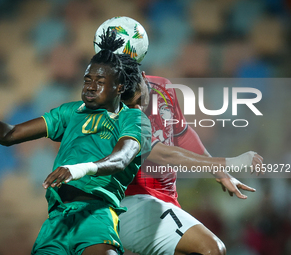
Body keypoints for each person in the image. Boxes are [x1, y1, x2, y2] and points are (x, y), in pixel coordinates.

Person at [0, 30, 152, 255]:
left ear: (119, 88)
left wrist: (78, 169)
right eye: (87, 80)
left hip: (96, 213)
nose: (90, 86)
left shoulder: (132, 118)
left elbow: (122, 158)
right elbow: (9, 135)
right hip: (56, 221)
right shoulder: (70, 112)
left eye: (100, 82)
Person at [96, 20, 264, 255]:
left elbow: (182, 134)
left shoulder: (162, 87)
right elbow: (159, 153)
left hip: (161, 202)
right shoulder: (104, 109)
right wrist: (226, 162)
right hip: (127, 202)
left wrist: (220, 172)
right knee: (211, 249)